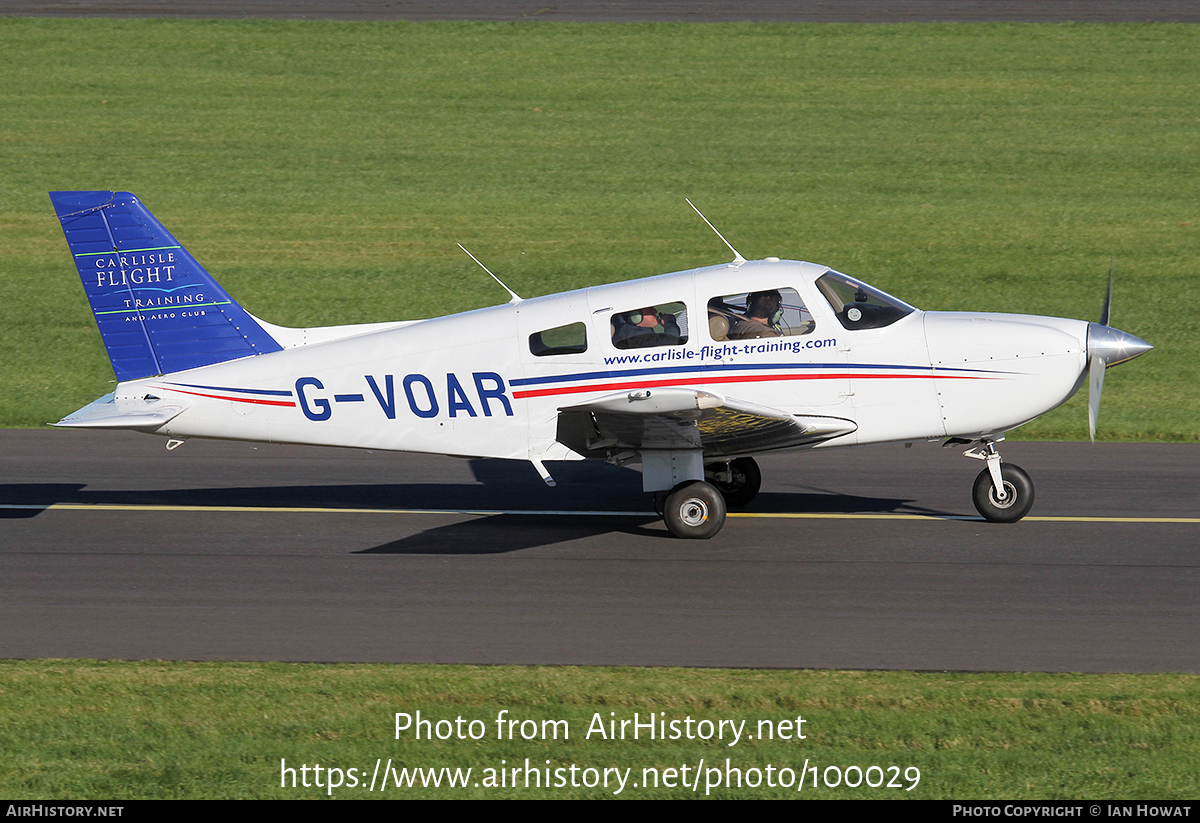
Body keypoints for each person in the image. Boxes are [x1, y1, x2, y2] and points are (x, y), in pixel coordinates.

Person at [612, 306, 681, 348]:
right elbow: (671, 340)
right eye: (650, 310)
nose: (655, 311)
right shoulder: (636, 336)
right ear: (635, 316)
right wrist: (670, 323)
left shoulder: (631, 332)